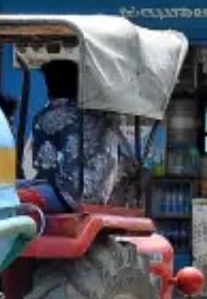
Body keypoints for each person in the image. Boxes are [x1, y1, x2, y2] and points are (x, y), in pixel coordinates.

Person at [21, 59, 133, 212]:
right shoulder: (99, 115)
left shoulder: (48, 117)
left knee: (9, 195)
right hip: (98, 193)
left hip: (68, 195)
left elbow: (44, 168)